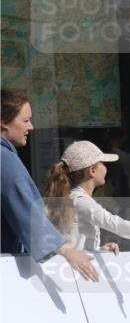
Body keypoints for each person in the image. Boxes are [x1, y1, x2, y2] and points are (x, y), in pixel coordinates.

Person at [1, 89, 98, 281]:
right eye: (26, 120)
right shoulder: (5, 160)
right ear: (3, 121)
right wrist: (67, 251)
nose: (31, 127)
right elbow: (26, 209)